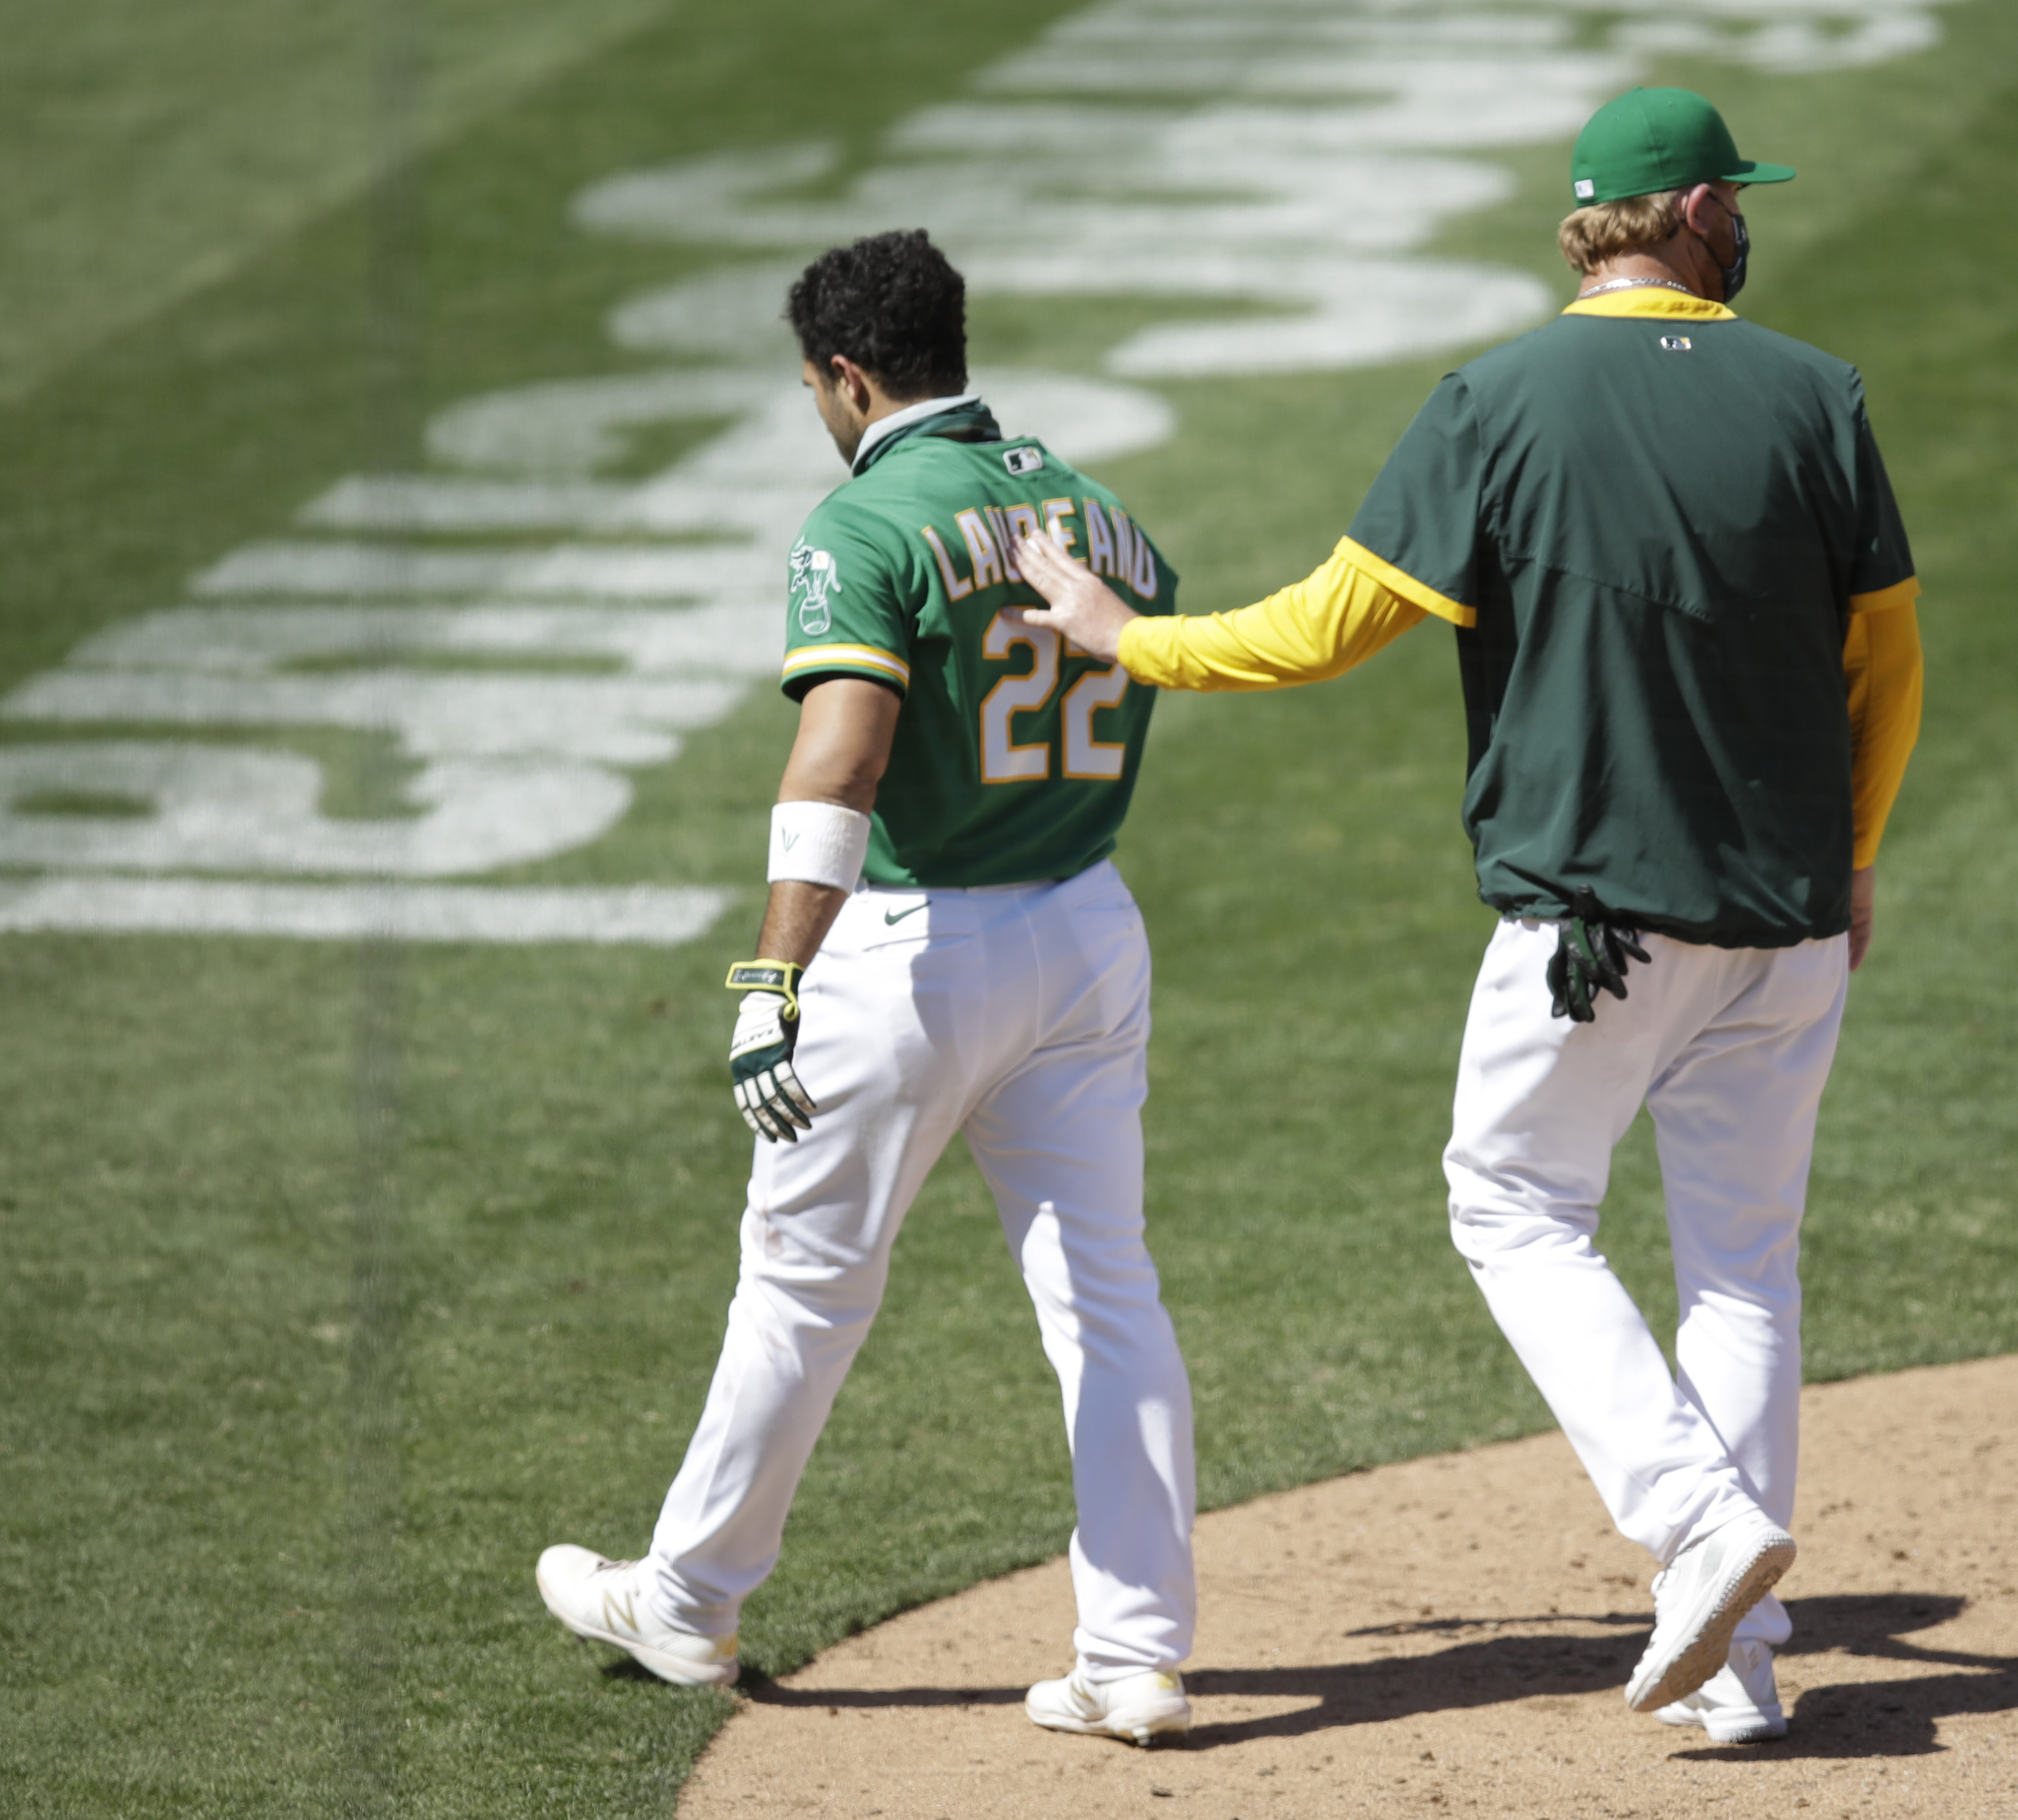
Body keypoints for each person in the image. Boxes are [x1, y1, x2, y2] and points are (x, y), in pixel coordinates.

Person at [1013, 88, 1923, 1746]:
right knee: (1744, 1266)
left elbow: (1320, 627)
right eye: (1740, 203)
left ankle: (1695, 1524)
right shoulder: (1814, 392)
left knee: (1512, 1196)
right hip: (1788, 916)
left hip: (1594, 921)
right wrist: (1853, 849)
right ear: (1699, 212)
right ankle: (1738, 1658)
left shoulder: (1498, 399)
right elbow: (1893, 657)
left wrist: (1120, 635)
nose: (1749, 225)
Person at [537, 228, 1201, 1749]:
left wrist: (774, 968)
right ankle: (1138, 1653)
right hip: (1089, 929)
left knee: (803, 1286)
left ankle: (690, 1604)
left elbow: (839, 753)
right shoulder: (1095, 506)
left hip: (914, 953)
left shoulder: (866, 522)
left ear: (846, 376)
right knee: (1107, 1296)